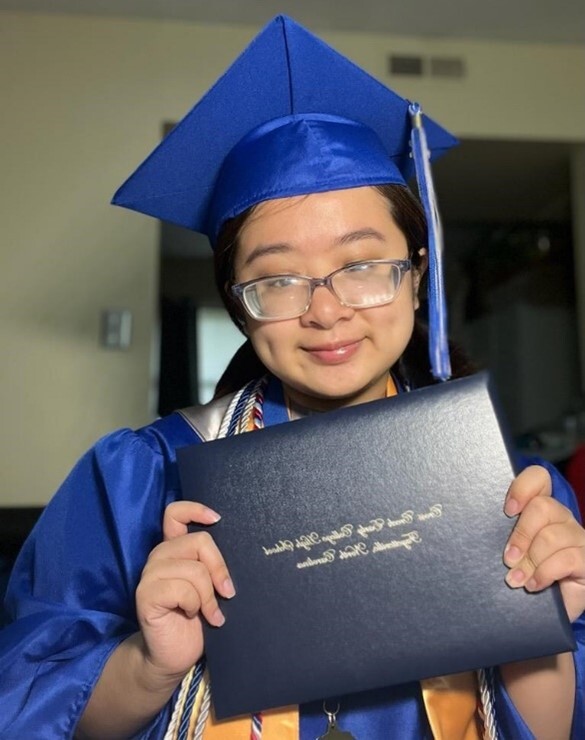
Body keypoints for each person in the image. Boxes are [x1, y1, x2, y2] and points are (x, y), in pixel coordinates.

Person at [1, 15, 584, 740]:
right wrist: (150, 664)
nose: (326, 311)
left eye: (363, 264)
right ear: (238, 307)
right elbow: (35, 712)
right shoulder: (135, 480)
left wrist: (533, 624)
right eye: (276, 279)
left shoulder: (511, 494)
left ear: (417, 275)